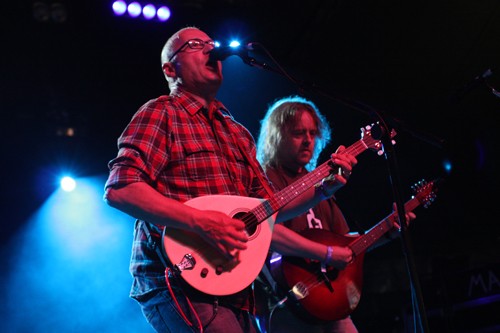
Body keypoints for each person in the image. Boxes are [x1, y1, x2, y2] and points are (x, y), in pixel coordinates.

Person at [103, 27, 357, 333]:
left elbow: (268, 211)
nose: (211, 50)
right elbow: (121, 189)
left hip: (233, 286)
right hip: (179, 278)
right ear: (170, 69)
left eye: (211, 43)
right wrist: (202, 222)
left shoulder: (237, 133)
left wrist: (321, 189)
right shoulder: (160, 113)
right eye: (195, 45)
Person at [254, 95, 415, 333]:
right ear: (277, 136)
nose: (307, 141)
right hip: (286, 304)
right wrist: (326, 254)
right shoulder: (266, 180)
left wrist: (387, 231)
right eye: (298, 133)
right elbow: (267, 232)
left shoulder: (319, 182)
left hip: (327, 300)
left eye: (312, 133)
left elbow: (345, 244)